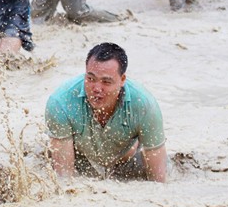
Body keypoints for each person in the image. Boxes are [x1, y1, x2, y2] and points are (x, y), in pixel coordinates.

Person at [45, 43, 167, 182]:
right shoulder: (61, 103)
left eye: (106, 82)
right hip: (81, 160)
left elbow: (159, 182)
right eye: (91, 79)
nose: (97, 89)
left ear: (122, 80)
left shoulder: (144, 106)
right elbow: (64, 178)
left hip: (127, 160)